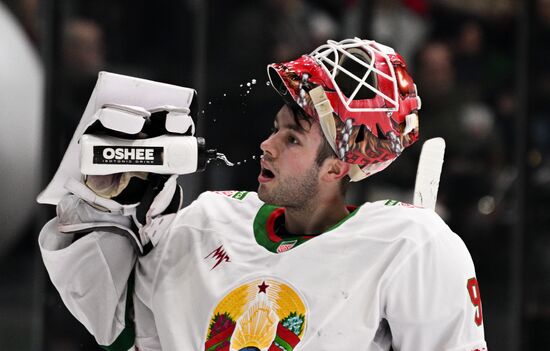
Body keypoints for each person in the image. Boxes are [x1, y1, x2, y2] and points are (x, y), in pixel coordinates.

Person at [39, 38, 487, 350]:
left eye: (292, 138)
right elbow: (119, 323)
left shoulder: (408, 246)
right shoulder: (207, 223)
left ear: (338, 165)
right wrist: (103, 206)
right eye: (276, 129)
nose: (266, 145)